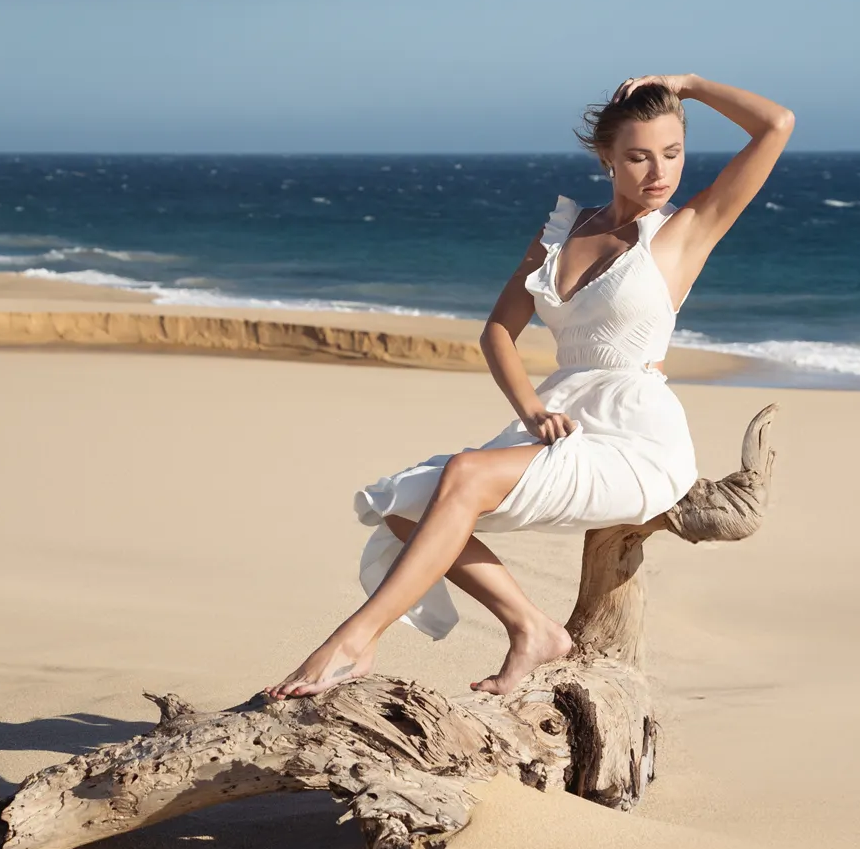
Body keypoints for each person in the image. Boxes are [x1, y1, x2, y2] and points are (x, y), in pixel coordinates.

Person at [266, 73, 794, 700]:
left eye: (673, 153)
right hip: (561, 418)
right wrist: (532, 408)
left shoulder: (686, 232)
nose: (660, 172)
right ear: (606, 157)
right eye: (639, 155)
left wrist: (690, 84)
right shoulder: (563, 232)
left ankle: (351, 642)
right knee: (404, 502)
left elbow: (776, 125)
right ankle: (532, 629)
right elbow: (497, 331)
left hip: (637, 438)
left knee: (461, 475)